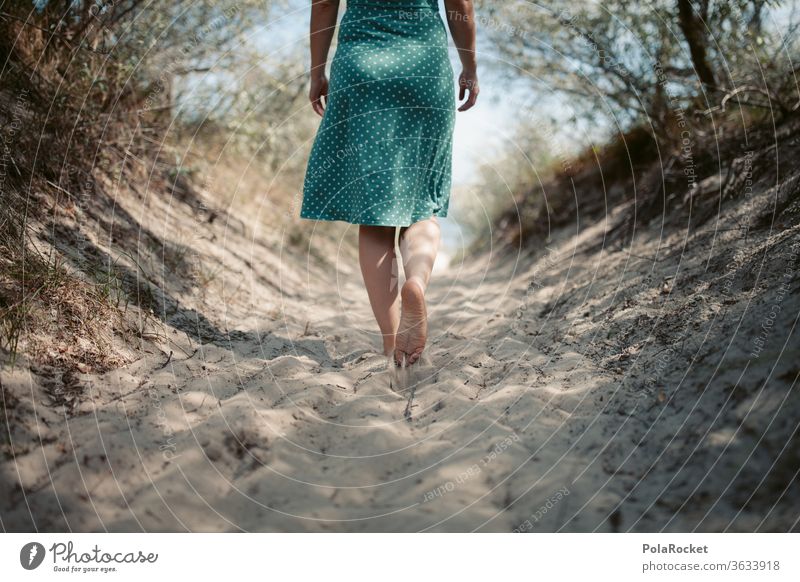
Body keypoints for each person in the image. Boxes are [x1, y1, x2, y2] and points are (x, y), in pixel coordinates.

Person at [301, 0, 478, 368]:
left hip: (361, 68)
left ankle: (391, 343)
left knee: (375, 216)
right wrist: (469, 66)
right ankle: (416, 281)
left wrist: (317, 71)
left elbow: (322, 7)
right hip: (423, 68)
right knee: (422, 208)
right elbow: (460, 6)